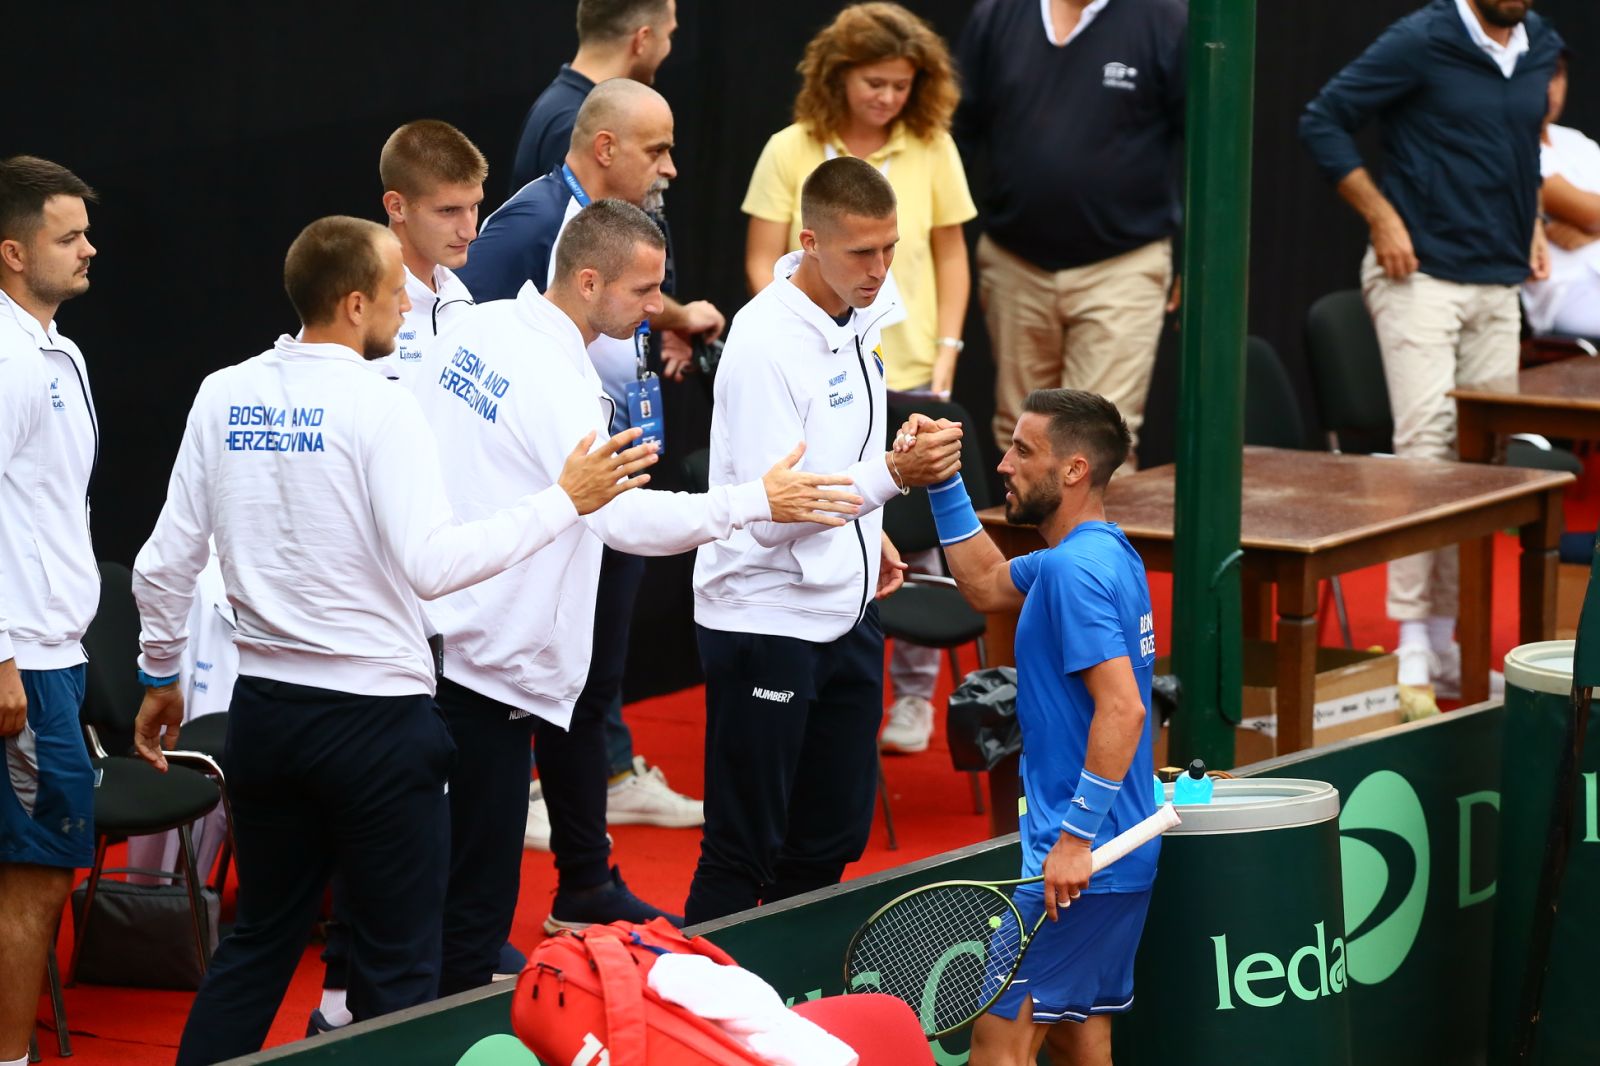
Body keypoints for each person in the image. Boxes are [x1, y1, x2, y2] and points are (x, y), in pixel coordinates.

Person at [129, 215, 657, 1065]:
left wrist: (160, 673)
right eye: (393, 292)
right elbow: (435, 565)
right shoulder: (383, 403)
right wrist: (566, 500)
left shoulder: (221, 391)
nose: (410, 308)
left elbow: (162, 566)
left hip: (264, 716)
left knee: (258, 945)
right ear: (351, 303)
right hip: (376, 728)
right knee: (400, 971)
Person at [412, 197, 862, 980]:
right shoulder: (563, 385)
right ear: (588, 282)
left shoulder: (474, 325)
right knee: (470, 910)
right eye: (643, 291)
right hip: (488, 664)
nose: (659, 308)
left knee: (439, 892)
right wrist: (755, 500)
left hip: (444, 642)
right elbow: (623, 523)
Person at [684, 157, 964, 925]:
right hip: (762, 619)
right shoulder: (763, 344)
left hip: (847, 611)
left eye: (890, 249)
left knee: (831, 841)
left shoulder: (859, 309)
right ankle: (695, 1027)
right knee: (743, 853)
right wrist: (892, 479)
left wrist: (871, 538)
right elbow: (777, 512)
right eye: (861, 253)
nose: (880, 270)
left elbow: (841, 446)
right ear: (809, 241)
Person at [462, 79, 717, 862]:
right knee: (556, 684)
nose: (671, 166)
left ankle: (586, 868)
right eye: (657, 149)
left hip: (619, 468)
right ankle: (571, 863)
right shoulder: (531, 224)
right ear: (605, 148)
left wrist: (669, 319)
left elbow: (613, 308)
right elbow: (459, 340)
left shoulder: (603, 231)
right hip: (564, 501)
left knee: (597, 674)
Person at [1299, 0, 1563, 696]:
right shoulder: (1421, 39)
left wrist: (1529, 221)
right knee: (1427, 450)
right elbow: (1321, 120)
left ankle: (1454, 643)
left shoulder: (1541, 45)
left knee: (1482, 468)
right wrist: (1383, 217)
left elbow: (1526, 142)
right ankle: (1414, 641)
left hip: (1498, 282)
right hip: (1419, 276)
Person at [741, 2, 977, 754]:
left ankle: (914, 699)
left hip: (907, 369)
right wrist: (794, 341)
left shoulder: (932, 145)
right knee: (830, 506)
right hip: (818, 369)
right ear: (838, 78)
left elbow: (949, 254)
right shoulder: (789, 148)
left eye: (902, 85)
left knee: (917, 540)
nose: (887, 98)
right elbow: (761, 258)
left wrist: (946, 348)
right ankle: (822, 687)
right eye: (874, 82)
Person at [901, 389, 1157, 1066]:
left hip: (1081, 862)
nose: (1006, 464)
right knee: (1080, 1039)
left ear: (1073, 470)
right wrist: (943, 480)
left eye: (1023, 450)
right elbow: (985, 584)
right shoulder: (1101, 553)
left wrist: (1073, 840)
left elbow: (1124, 708)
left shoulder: (1075, 572)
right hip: (1112, 855)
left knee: (997, 1045)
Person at [953, 0, 1186, 462]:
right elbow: (955, 130)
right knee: (1018, 435)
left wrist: (1199, 257)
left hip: (1121, 265)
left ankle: (1096, 539)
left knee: (1099, 442)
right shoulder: (998, 15)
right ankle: (1028, 540)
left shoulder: (1166, 19)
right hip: (1014, 261)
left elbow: (1210, 144)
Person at [0, 156, 99, 1066]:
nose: (87, 249)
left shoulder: (48, 345)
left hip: (51, 650)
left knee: (32, 872)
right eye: (67, 237)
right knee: (33, 877)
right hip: (23, 660)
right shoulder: (6, 354)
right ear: (13, 251)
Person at [508, 0, 678, 195]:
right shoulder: (576, 123)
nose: (670, 170)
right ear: (642, 40)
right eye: (669, 35)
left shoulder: (562, 107)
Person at [377, 120, 484, 386]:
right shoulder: (357, 312)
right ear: (396, 207)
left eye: (474, 207)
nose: (470, 232)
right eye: (448, 211)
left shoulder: (457, 294)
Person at [1524, 51, 1600, 338]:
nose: (1549, 87)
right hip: (1566, 299)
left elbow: (1592, 219)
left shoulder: (1577, 141)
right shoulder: (1510, 147)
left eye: (1556, 74)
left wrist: (1590, 234)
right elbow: (1592, 214)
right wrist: (1591, 224)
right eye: (1539, 74)